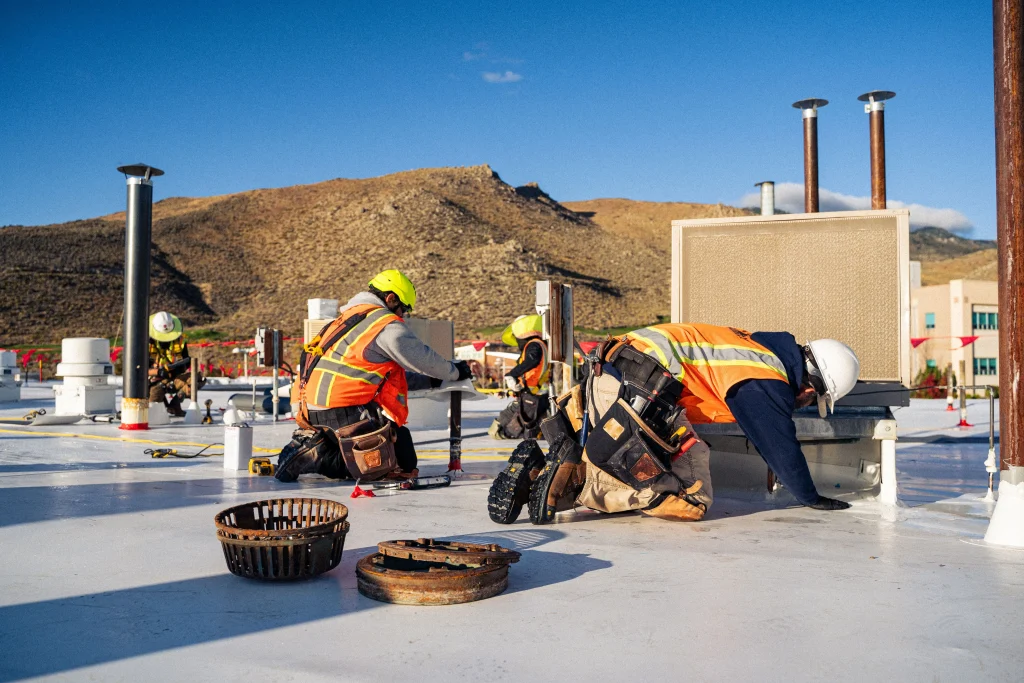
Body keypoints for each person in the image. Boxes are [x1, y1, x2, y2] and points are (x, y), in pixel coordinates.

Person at [488, 323, 860, 525]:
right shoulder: (767, 378)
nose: (805, 404)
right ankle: (573, 482)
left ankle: (538, 472)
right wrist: (810, 497)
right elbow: (778, 443)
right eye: (813, 398)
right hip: (636, 389)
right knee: (690, 499)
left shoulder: (760, 347)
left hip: (613, 374)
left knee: (654, 453)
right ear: (812, 382)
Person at [276, 269, 472, 481]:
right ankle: (317, 456)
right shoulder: (383, 324)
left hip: (309, 410)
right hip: (339, 411)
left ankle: (314, 444)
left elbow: (384, 380)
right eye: (403, 309)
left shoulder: (344, 321)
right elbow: (422, 358)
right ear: (390, 298)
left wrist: (431, 381)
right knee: (395, 461)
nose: (402, 315)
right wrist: (454, 371)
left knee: (399, 442)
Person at [488, 314, 551, 440]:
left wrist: (512, 374)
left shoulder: (534, 345)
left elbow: (532, 360)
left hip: (532, 396)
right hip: (534, 395)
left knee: (500, 432)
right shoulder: (541, 344)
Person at [148, 311, 203, 417]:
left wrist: (175, 370)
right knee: (153, 409)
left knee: (197, 378)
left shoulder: (180, 342)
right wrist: (158, 372)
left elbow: (186, 363)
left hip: (174, 378)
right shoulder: (146, 344)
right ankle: (161, 404)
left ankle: (175, 404)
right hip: (155, 382)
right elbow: (138, 369)